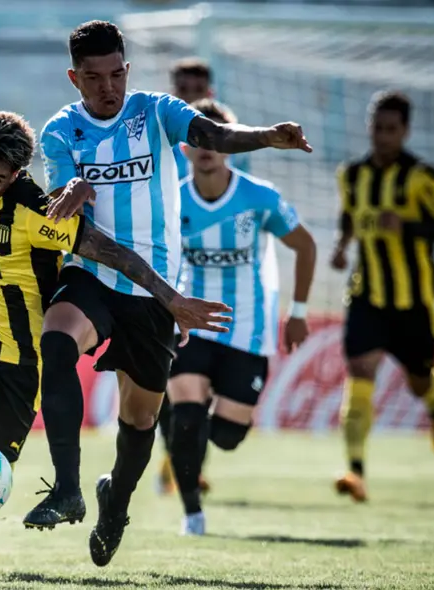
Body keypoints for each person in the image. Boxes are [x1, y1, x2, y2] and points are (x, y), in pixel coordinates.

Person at [0, 110, 232, 578]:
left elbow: (111, 252)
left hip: (18, 364)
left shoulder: (38, 211)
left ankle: (81, 489)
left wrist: (171, 300)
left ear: (17, 176)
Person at [20, 20, 311, 568]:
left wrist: (266, 136)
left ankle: (116, 503)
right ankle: (66, 487)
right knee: (55, 344)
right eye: (92, 77)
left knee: (140, 422)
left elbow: (214, 136)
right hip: (95, 275)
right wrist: (73, 190)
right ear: (73, 78)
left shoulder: (154, 110)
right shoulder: (60, 133)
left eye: (115, 75)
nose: (107, 87)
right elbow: (77, 228)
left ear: (127, 70)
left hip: (152, 294)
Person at [164, 99, 317, 535]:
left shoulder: (259, 197)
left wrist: (299, 312)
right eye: (198, 137)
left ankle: (184, 431)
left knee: (227, 438)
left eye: (217, 137)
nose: (207, 146)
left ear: (231, 146)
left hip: (247, 332)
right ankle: (192, 513)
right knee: (188, 417)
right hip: (191, 325)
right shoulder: (170, 200)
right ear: (186, 147)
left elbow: (305, 246)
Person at [330, 90, 434, 504]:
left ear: (405, 131)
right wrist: (341, 244)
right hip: (366, 296)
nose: (382, 136)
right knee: (360, 374)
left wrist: (406, 226)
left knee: (420, 382)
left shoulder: (423, 177)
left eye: (391, 129)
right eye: (377, 127)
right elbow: (349, 214)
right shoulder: (351, 175)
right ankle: (355, 471)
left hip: (413, 303)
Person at [157, 56, 252, 497]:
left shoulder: (225, 144)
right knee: (156, 374)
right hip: (157, 269)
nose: (188, 95)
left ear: (209, 92)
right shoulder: (156, 137)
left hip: (209, 282)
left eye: (196, 88)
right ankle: (175, 457)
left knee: (191, 388)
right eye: (182, 87)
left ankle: (183, 458)